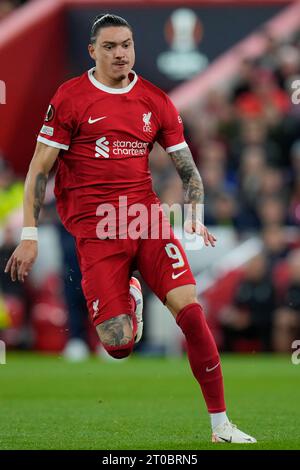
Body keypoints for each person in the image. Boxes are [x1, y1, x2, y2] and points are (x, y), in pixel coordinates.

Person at [4, 14, 256, 444]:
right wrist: (29, 235)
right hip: (95, 231)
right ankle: (132, 293)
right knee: (118, 346)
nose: (120, 53)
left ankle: (222, 426)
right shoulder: (70, 98)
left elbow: (188, 170)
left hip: (145, 219)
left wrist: (193, 212)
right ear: (93, 51)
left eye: (127, 44)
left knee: (191, 314)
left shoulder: (155, 100)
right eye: (110, 46)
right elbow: (38, 169)